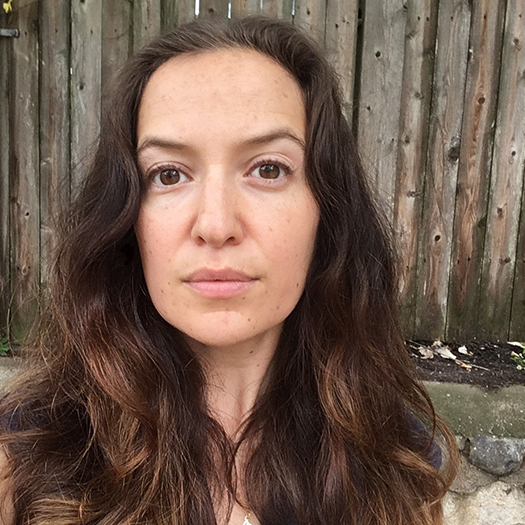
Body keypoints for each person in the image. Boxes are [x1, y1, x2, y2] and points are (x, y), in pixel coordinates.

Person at [0, 15, 458, 525]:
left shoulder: (399, 460)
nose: (216, 226)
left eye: (268, 169)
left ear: (326, 209)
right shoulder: (25, 456)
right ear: (127, 218)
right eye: (168, 175)